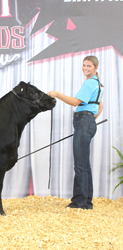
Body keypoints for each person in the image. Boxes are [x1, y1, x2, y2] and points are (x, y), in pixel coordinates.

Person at [47, 56, 104, 209]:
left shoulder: (89, 83)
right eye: (84, 65)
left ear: (95, 67)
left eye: (89, 66)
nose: (85, 68)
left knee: (80, 164)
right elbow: (101, 106)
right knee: (84, 164)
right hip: (88, 122)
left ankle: (78, 202)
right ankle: (86, 202)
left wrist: (57, 94)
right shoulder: (98, 84)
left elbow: (75, 102)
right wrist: (91, 117)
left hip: (83, 122)